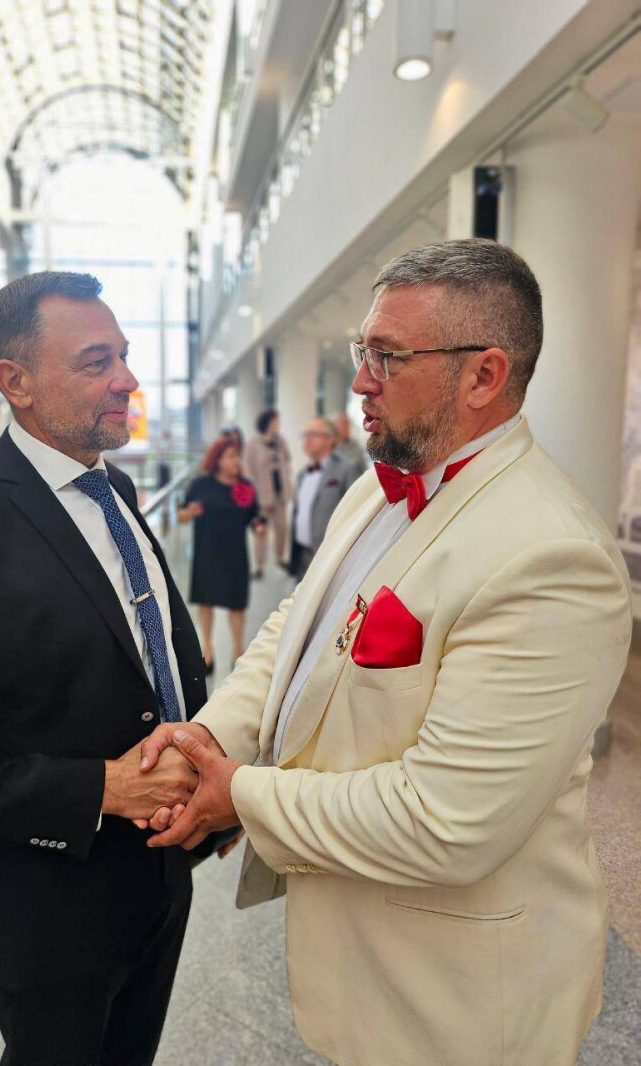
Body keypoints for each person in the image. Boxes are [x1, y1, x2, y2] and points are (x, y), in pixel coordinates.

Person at [138, 239, 633, 1066]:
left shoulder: (552, 558)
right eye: (360, 351)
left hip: (458, 1002)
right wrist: (212, 738)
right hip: (361, 960)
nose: (360, 383)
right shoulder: (378, 486)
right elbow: (296, 627)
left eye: (387, 357)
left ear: (483, 376)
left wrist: (242, 795)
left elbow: (446, 821)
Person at [0, 271, 207, 1066]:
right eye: (96, 362)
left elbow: (149, 662)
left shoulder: (114, 489)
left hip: (160, 881)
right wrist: (102, 789)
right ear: (15, 382)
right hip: (50, 914)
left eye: (124, 355)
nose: (127, 379)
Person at [179, 436, 266, 673]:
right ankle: (207, 650)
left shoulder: (245, 486)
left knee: (237, 603)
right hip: (206, 552)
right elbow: (182, 515)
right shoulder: (200, 484)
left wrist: (259, 525)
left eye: (238, 456)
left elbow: (253, 516)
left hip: (235, 554)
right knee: (205, 600)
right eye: (231, 456)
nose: (236, 461)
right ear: (217, 460)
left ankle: (238, 650)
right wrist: (190, 512)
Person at [291, 416, 358, 580]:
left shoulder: (347, 469)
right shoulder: (302, 474)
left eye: (313, 434)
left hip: (328, 556)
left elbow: (355, 513)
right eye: (305, 434)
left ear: (330, 439)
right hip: (302, 555)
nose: (307, 439)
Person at [244, 408, 293, 577]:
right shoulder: (253, 444)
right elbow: (248, 469)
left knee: (282, 528)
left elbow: (287, 460)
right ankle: (259, 566)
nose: (278, 424)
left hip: (279, 494)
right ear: (268, 422)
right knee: (260, 532)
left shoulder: (280, 441)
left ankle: (280, 558)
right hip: (261, 497)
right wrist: (253, 493)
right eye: (275, 421)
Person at [332, 410, 367, 477]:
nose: (346, 428)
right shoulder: (329, 445)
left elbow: (363, 467)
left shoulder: (355, 445)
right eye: (343, 425)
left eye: (347, 425)